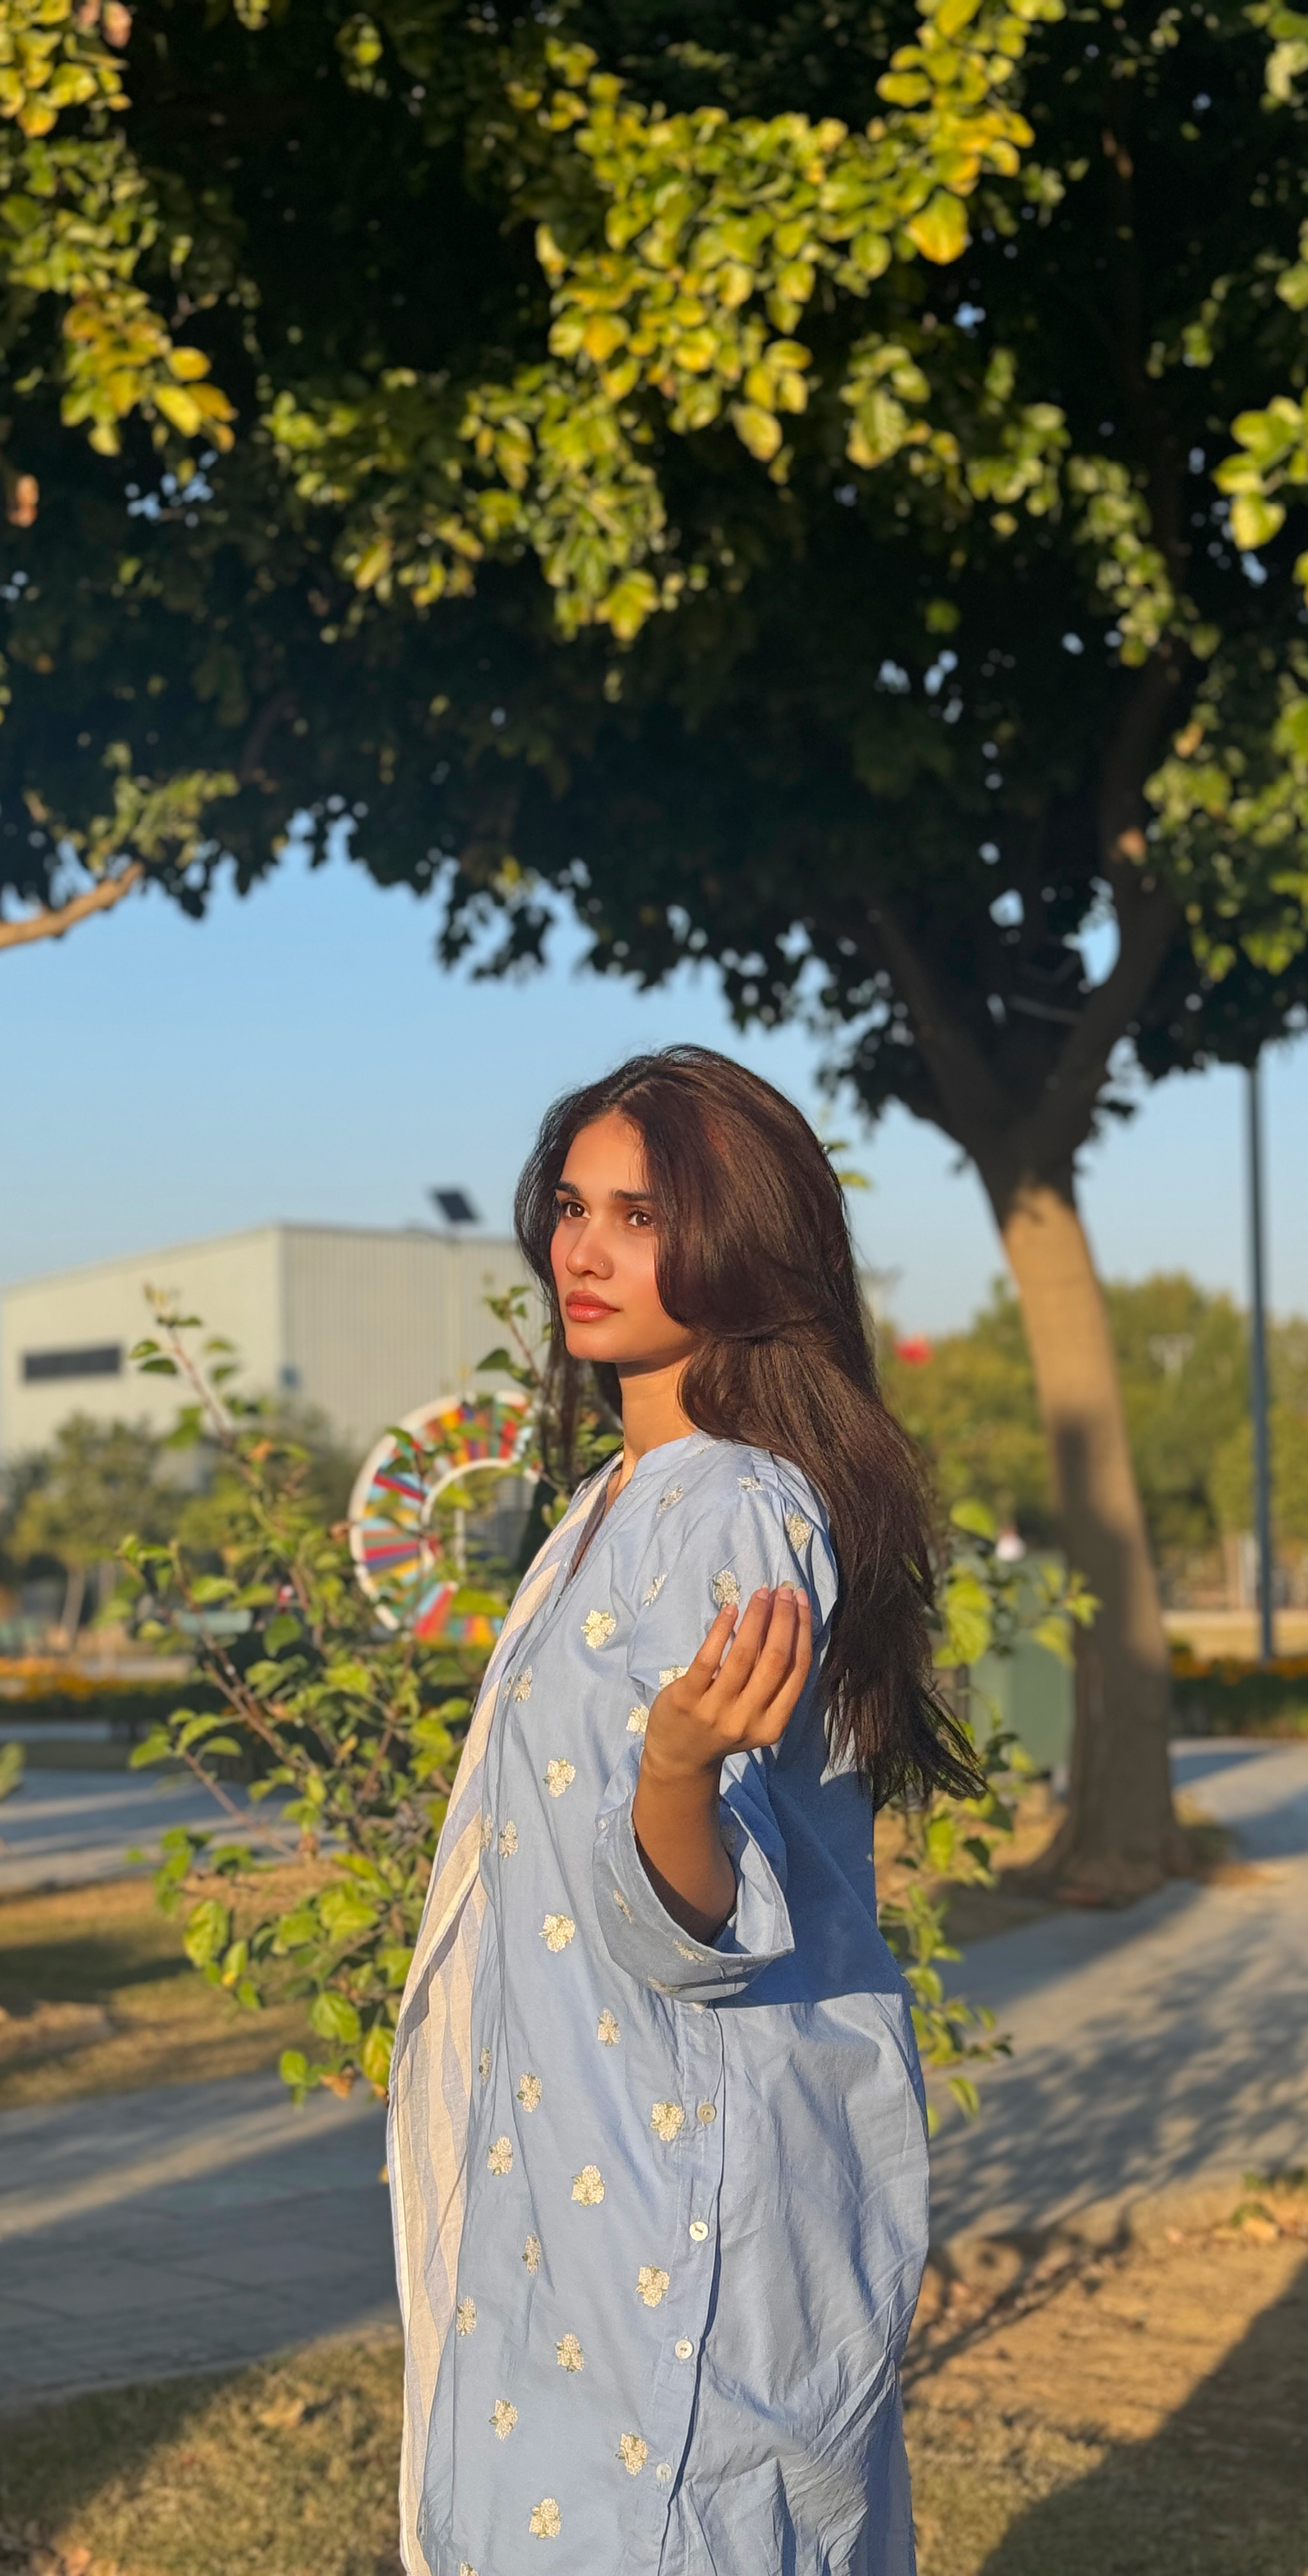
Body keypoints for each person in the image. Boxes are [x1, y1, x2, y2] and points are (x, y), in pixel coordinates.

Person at [388, 1045, 982, 2576]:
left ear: (741, 1241)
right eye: (573, 1207)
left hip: (671, 2165)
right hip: (568, 2152)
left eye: (641, 1217)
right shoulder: (614, 1501)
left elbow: (708, 1920)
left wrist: (670, 1772)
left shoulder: (732, 1505)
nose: (583, 1252)